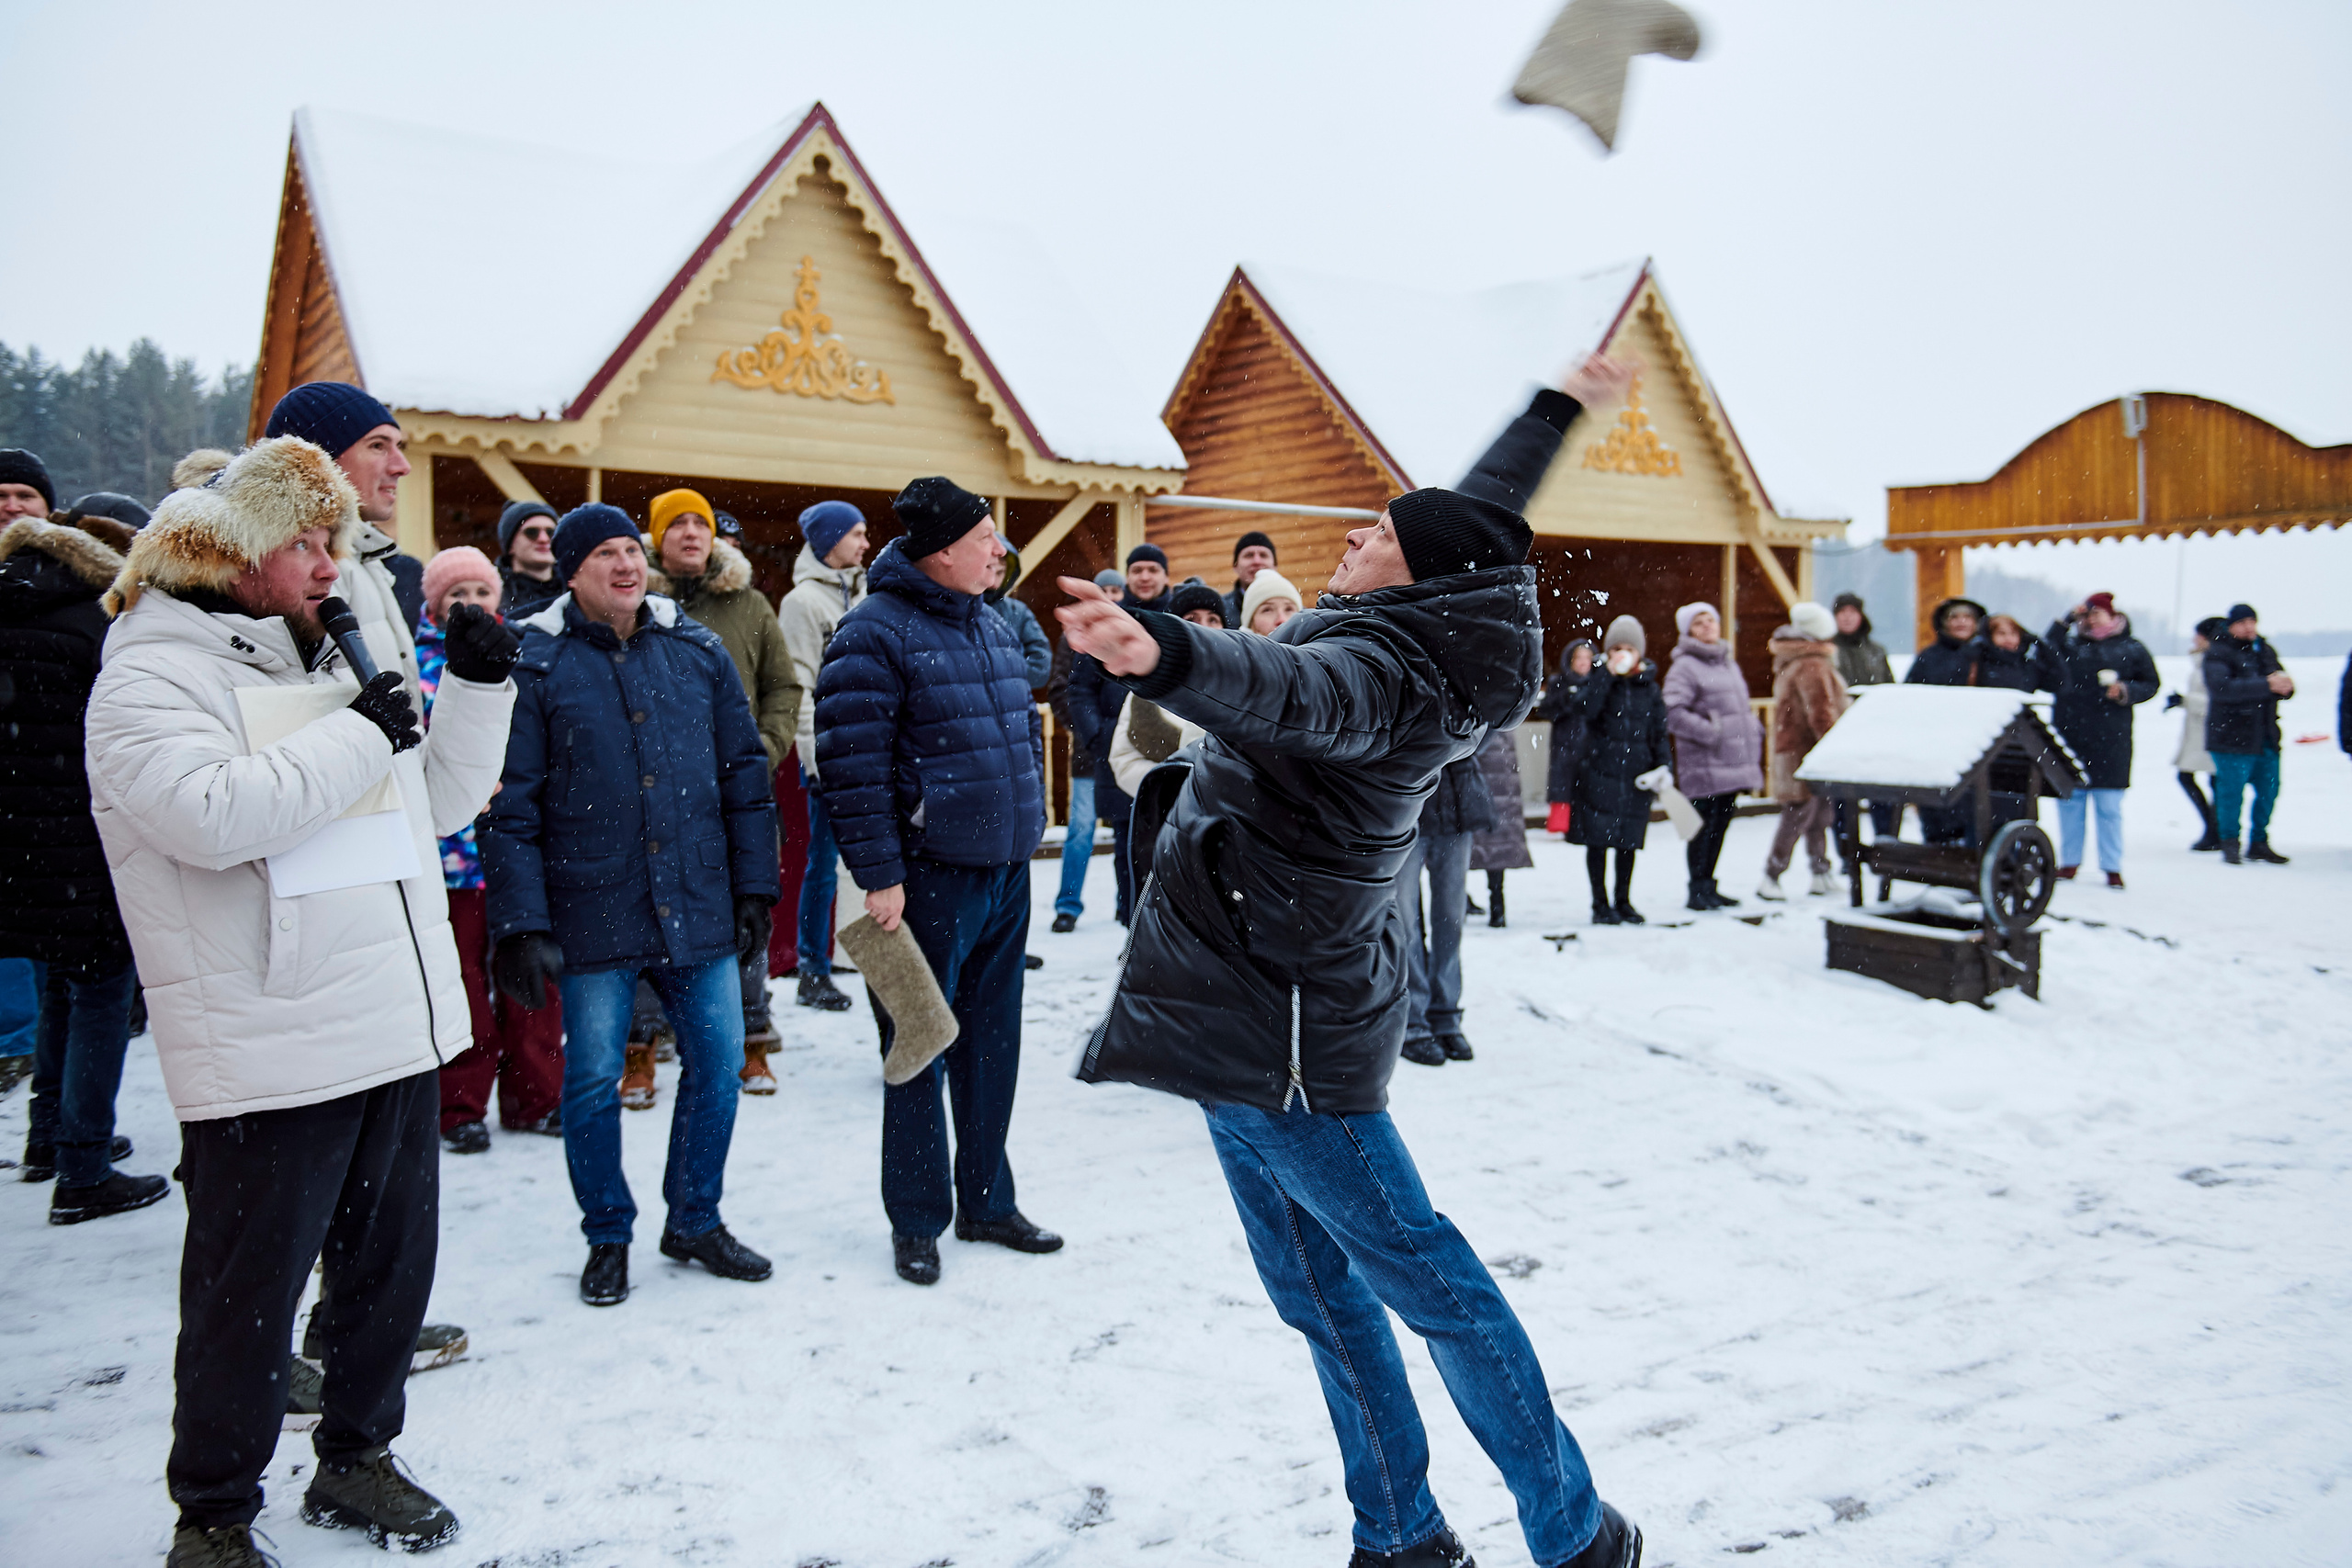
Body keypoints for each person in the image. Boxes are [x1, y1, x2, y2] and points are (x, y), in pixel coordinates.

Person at [1061, 354, 1645, 1568]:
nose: (1355, 540)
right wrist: (1556, 406)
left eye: (1376, 535)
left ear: (1418, 574)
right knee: (1320, 1293)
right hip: (1232, 1004)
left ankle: (1574, 1531)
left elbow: (1287, 686)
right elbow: (1475, 512)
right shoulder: (1425, 610)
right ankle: (1402, 1531)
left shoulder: (1382, 670)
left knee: (1429, 1278)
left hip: (1282, 1020)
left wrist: (1164, 654)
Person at [87, 435, 519, 1564]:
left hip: (389, 1019)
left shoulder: (320, 656)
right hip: (269, 1039)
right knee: (247, 1300)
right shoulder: (148, 670)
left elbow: (430, 807)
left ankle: (357, 1457)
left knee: (385, 1278)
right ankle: (215, 1515)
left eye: (332, 540)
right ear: (227, 551)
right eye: (303, 542)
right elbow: (208, 816)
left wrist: (476, 687)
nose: (329, 564)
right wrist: (358, 730)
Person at [481, 503, 780, 1308]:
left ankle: (695, 1217)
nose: (622, 565)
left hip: (698, 901)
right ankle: (607, 1232)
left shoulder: (697, 650)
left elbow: (743, 777)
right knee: (591, 1083)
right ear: (571, 570)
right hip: (592, 908)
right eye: (602, 554)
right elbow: (512, 806)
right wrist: (521, 923)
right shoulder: (536, 665)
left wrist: (756, 885)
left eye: (628, 551)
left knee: (717, 1067)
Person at [816, 476, 1059, 1288]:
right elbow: (850, 769)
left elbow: (1019, 730)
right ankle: (917, 1218)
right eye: (987, 536)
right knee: (917, 1046)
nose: (999, 549)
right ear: (941, 549)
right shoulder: (870, 633)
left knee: (994, 1046)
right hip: (923, 881)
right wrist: (879, 875)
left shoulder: (989, 624)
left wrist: (1029, 823)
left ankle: (988, 1200)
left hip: (1003, 871)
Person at [1, 497, 164, 1217]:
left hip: (21, 842)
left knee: (63, 984)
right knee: (100, 989)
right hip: (87, 839)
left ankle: (50, 1137)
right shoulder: (100, 622)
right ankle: (84, 1164)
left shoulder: (17, 602)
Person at [646, 488, 800, 1089]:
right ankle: (644, 1044)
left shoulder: (750, 603)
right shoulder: (632, 600)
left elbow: (784, 687)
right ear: (657, 536)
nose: (690, 532)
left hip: (735, 793)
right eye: (676, 523)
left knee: (745, 911)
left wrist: (761, 751)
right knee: (645, 915)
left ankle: (751, 1038)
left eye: (700, 523)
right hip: (652, 791)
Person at [413, 547, 565, 1153]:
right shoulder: (419, 663)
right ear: (433, 605)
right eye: (457, 594)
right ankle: (460, 1104)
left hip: (521, 850)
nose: (471, 604)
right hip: (453, 857)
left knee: (534, 978)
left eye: (481, 591)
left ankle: (538, 1096)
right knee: (463, 982)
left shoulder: (527, 659)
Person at [262, 383, 428, 694]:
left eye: (398, 447)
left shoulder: (367, 556)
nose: (402, 466)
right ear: (318, 461)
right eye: (378, 446)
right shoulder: (282, 565)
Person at [777, 499, 869, 1008]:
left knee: (881, 866)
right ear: (829, 540)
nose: (864, 543)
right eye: (855, 534)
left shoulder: (864, 594)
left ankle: (878, 967)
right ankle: (813, 965)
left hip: (876, 755)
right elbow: (799, 688)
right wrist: (816, 761)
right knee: (824, 864)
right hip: (833, 758)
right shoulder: (802, 604)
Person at [1066, 543, 1172, 924]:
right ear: (1128, 576)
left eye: (1152, 569)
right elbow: (1079, 688)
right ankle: (1133, 929)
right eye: (1138, 569)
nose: (1145, 576)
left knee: (1176, 843)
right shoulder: (1108, 620)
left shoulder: (1183, 617)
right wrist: (1100, 738)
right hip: (1119, 753)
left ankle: (1170, 933)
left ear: (1165, 575)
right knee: (1129, 844)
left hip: (1176, 751)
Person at [0, 447, 61, 1097]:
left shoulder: (61, 580)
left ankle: (29, 1063)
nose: (13, 507)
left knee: (45, 954)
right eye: (3, 495)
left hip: (41, 790)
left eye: (25, 495)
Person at [2044, 592, 2159, 886]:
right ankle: (2070, 862)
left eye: (2098, 613)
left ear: (2113, 615)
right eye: (2086, 614)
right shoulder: (2069, 645)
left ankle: (2112, 866)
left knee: (2109, 805)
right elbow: (2043, 649)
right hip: (2070, 732)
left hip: (2112, 736)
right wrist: (2066, 619)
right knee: (2071, 800)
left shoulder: (2132, 647)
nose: (2091, 619)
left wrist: (2125, 690)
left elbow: (2151, 683)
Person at [1566, 615, 1668, 925]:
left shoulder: (1650, 689)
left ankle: (1623, 900)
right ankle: (1600, 904)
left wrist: (1663, 765)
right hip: (1599, 773)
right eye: (1616, 648)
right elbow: (1583, 709)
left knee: (1628, 841)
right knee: (1598, 841)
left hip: (1635, 776)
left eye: (1628, 648)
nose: (1622, 654)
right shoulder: (1599, 679)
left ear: (1639, 652)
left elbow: (1659, 732)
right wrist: (1605, 676)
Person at [1661, 600, 1762, 911]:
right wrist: (1711, 733)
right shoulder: (1685, 666)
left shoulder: (1728, 663)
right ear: (1688, 630)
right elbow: (1673, 711)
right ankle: (1697, 890)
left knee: (1720, 826)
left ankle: (1709, 886)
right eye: (1699, 622)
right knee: (1701, 828)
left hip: (1731, 763)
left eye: (1711, 620)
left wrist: (1753, 730)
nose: (1707, 626)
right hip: (1705, 763)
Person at [1756, 604, 1849, 900]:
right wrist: (1834, 744)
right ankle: (1772, 875)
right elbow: (1821, 711)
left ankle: (1820, 871)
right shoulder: (1812, 663)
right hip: (1807, 751)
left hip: (1797, 748)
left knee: (1819, 812)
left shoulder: (1796, 659)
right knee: (1799, 813)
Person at [1107, 582, 1230, 795]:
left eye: (1213, 619)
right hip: (1170, 815)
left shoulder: (1241, 682)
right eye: (1192, 619)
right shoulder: (1148, 687)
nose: (1204, 627)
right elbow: (1123, 762)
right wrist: (1177, 785)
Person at [2203, 602, 2294, 865]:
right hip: (2231, 737)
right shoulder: (2218, 652)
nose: (2249, 627)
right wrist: (2266, 684)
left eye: (2252, 622)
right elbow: (2221, 688)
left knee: (2270, 789)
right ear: (2230, 626)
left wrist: (2286, 687)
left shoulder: (2263, 650)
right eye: (2243, 623)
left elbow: (2280, 678)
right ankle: (2230, 841)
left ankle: (2259, 841)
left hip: (2265, 734)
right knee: (2231, 792)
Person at [2167, 617, 2226, 852]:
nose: (2194, 639)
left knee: (2206, 779)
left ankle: (2215, 830)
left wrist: (2186, 701)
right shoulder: (2202, 662)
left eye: (2198, 635)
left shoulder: (2213, 664)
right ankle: (2213, 829)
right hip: (2199, 732)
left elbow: (2217, 701)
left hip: (2211, 732)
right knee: (2205, 779)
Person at [1468, 727, 1532, 928]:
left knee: (1460, 844)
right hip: (1499, 774)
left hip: (1474, 775)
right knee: (1497, 845)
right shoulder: (1505, 718)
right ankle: (1497, 905)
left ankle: (1461, 900)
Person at [1536, 637, 1598, 838]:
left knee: (1590, 785)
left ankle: (1587, 824)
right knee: (1562, 786)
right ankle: (1560, 824)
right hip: (1564, 743)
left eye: (1587, 657)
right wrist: (1566, 698)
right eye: (1578, 657)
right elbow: (1546, 711)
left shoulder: (1598, 684)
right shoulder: (1559, 683)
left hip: (1592, 744)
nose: (1582, 662)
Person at [985, 536, 1054, 685]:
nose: (994, 581)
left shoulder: (1018, 612)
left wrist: (1004, 675)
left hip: (1012, 704)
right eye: (988, 568)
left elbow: (1041, 666)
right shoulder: (956, 608)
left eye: (1000, 572)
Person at [494, 500, 565, 619]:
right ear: (510, 545)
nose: (543, 539)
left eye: (551, 533)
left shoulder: (576, 588)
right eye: (532, 532)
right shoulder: (492, 592)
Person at [1976, 614, 2063, 693]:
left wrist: (2041, 645)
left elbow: (2059, 684)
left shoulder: (2028, 666)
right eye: (2001, 633)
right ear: (1989, 636)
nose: (2008, 638)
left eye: (2013, 634)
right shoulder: (1978, 660)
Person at [1222, 529, 1278, 626]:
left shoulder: (1295, 611)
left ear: (1275, 565)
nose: (1257, 561)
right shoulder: (1220, 611)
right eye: (1249, 555)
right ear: (1235, 566)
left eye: (1263, 555)